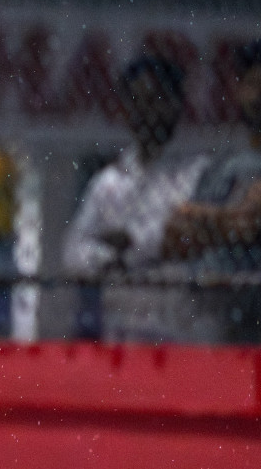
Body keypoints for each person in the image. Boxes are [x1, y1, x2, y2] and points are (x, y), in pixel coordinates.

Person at [61, 55, 209, 342]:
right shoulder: (108, 182)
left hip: (180, 333)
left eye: (156, 100)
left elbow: (184, 237)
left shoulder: (196, 175)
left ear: (177, 106)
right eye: (136, 101)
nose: (146, 111)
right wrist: (107, 256)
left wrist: (130, 242)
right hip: (120, 331)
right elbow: (73, 252)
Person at [162, 40, 261, 342]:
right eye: (253, 84)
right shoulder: (220, 165)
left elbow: (249, 225)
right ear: (239, 90)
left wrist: (206, 224)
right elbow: (176, 234)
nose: (258, 96)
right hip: (213, 315)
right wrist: (231, 221)